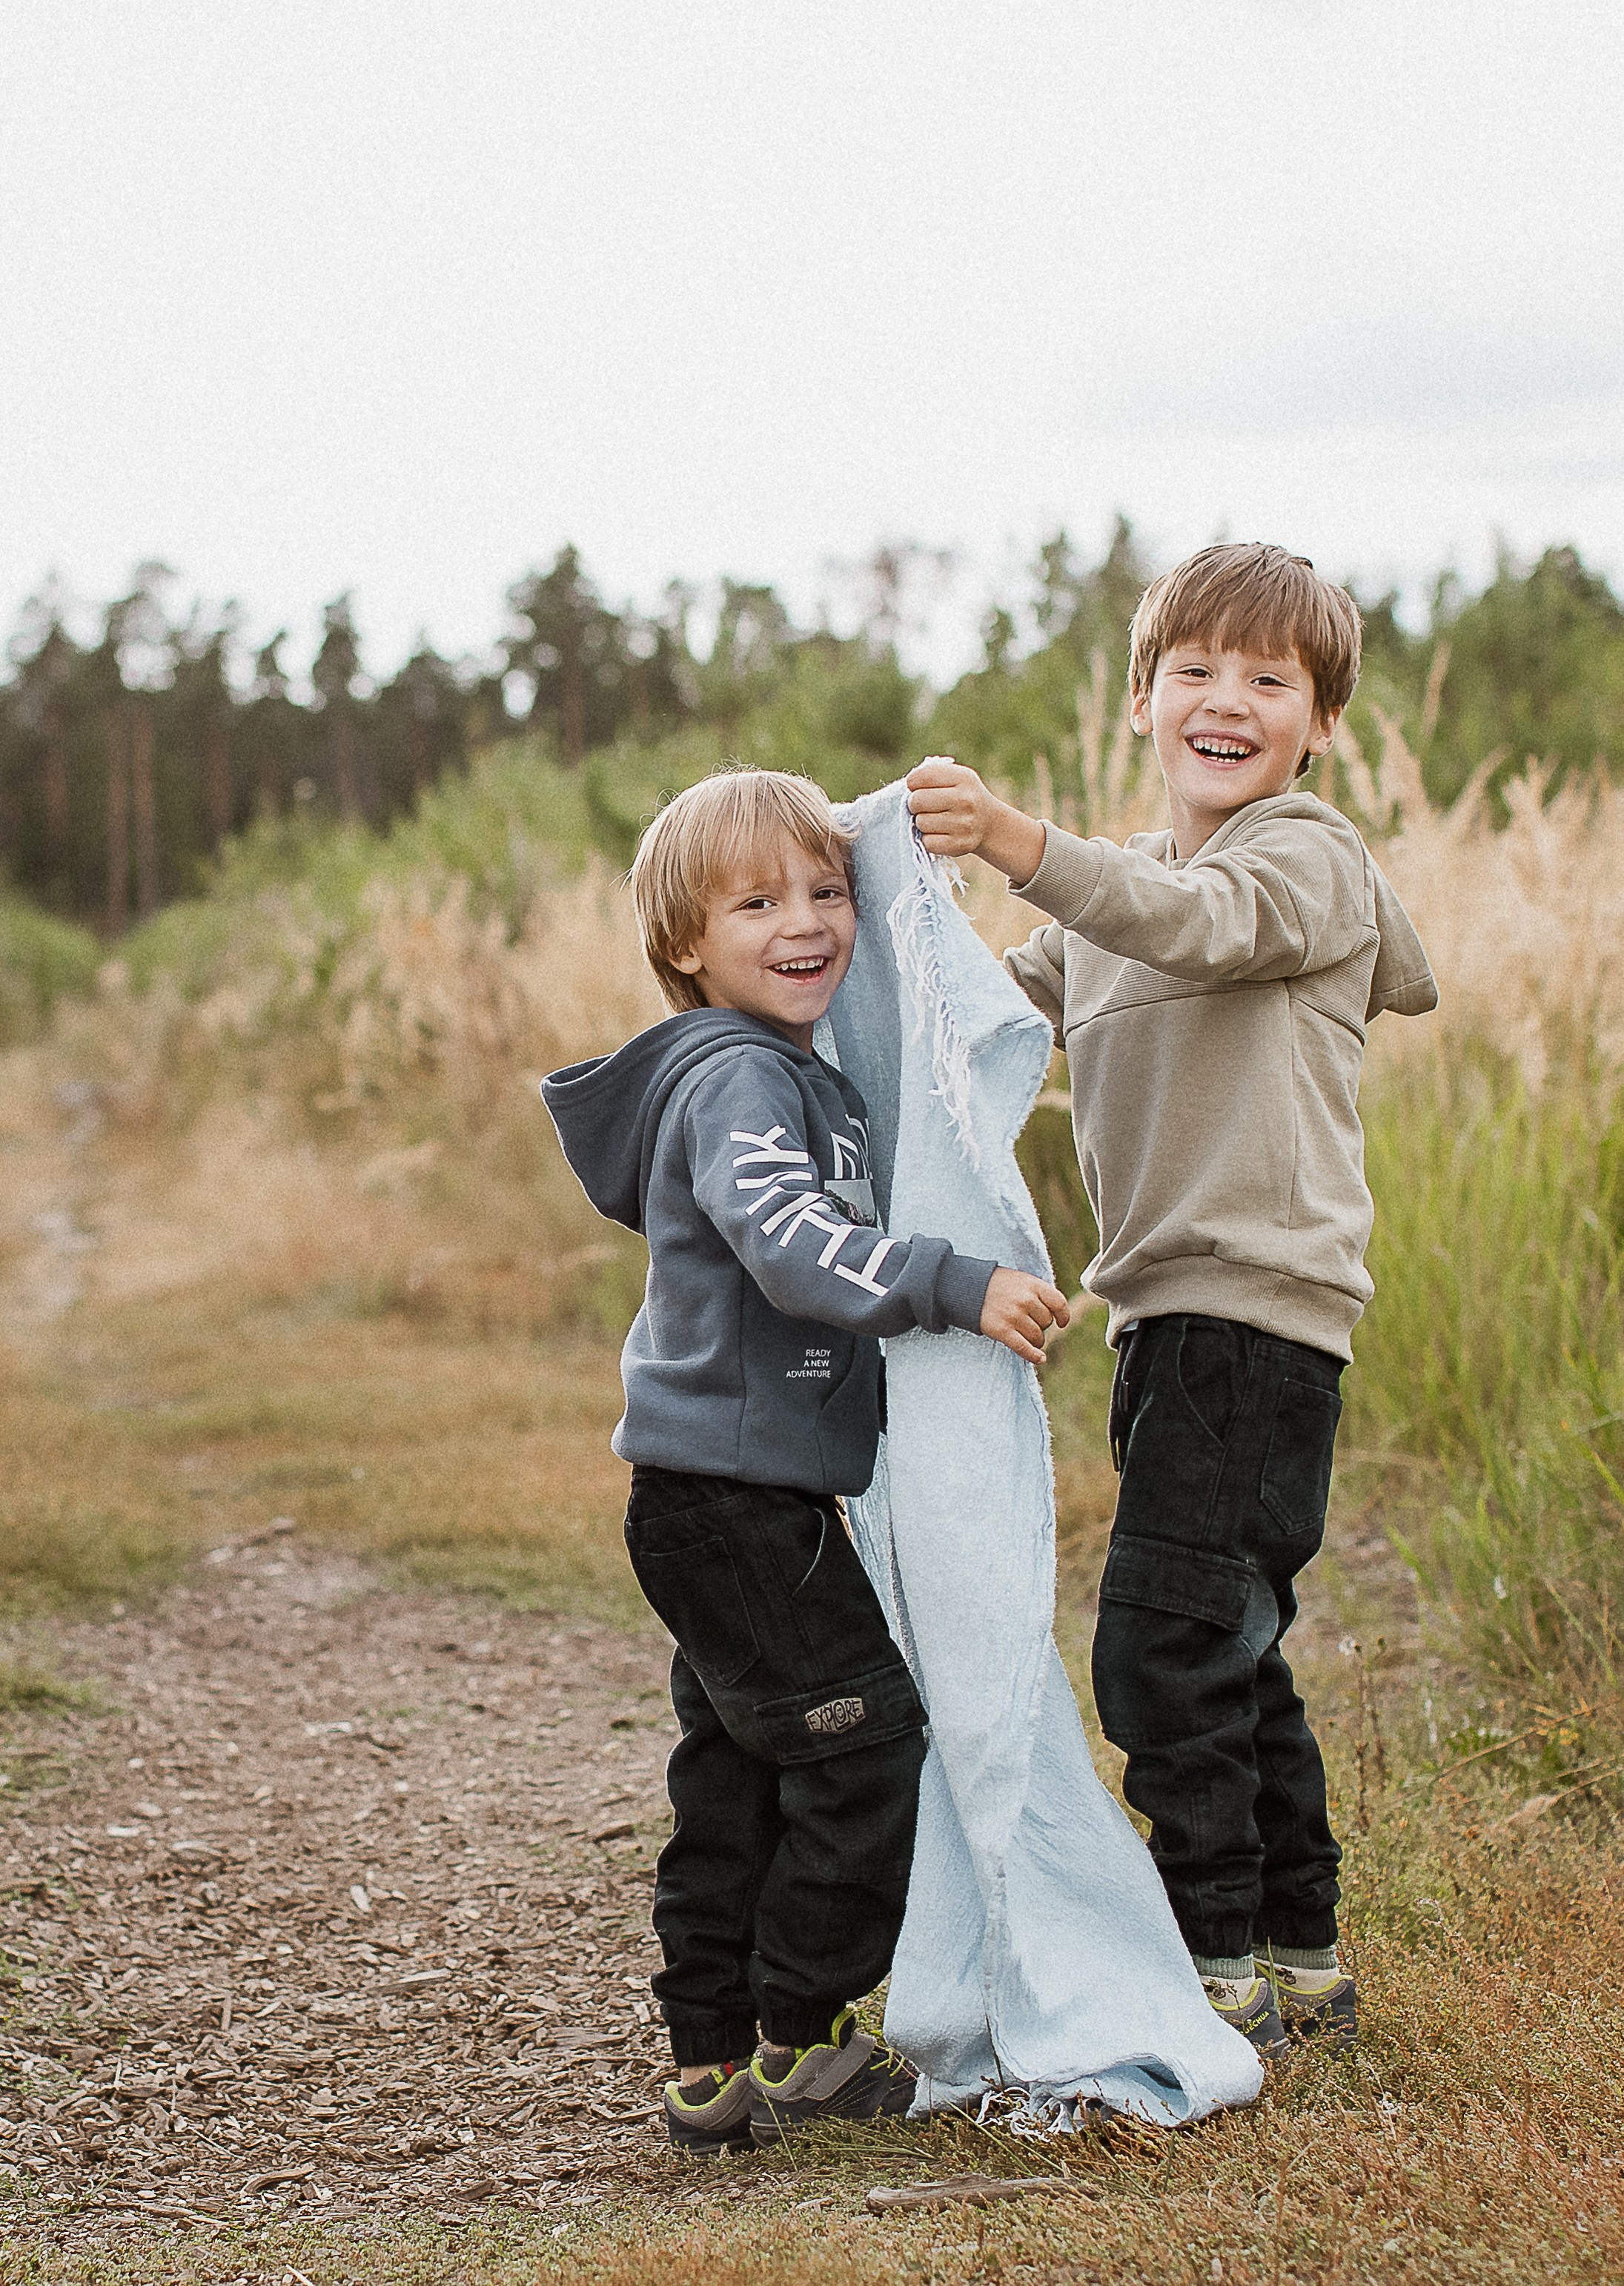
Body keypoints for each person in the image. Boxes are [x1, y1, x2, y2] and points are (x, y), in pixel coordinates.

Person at [906, 543, 1437, 2058]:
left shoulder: (1304, 857)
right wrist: (873, 916)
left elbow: (1197, 922)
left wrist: (1021, 836)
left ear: (1317, 718)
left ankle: (1209, 1955)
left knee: (1158, 1645)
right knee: (1228, 1640)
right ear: (1142, 696)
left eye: (1268, 678)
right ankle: (1297, 1943)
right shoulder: (1106, 906)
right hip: (1164, 1325)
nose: (1228, 699)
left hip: (1257, 1323)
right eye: (1195, 669)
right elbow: (1001, 1022)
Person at [542, 766, 1070, 2150]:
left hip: (719, 1497)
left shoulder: (787, 1071)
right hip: (730, 1504)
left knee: (732, 1772)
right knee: (866, 1748)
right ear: (684, 945)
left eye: (829, 888)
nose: (808, 920)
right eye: (758, 899)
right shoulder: (735, 1083)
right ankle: (797, 2031)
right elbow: (786, 1243)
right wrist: (957, 1282)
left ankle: (708, 2054)